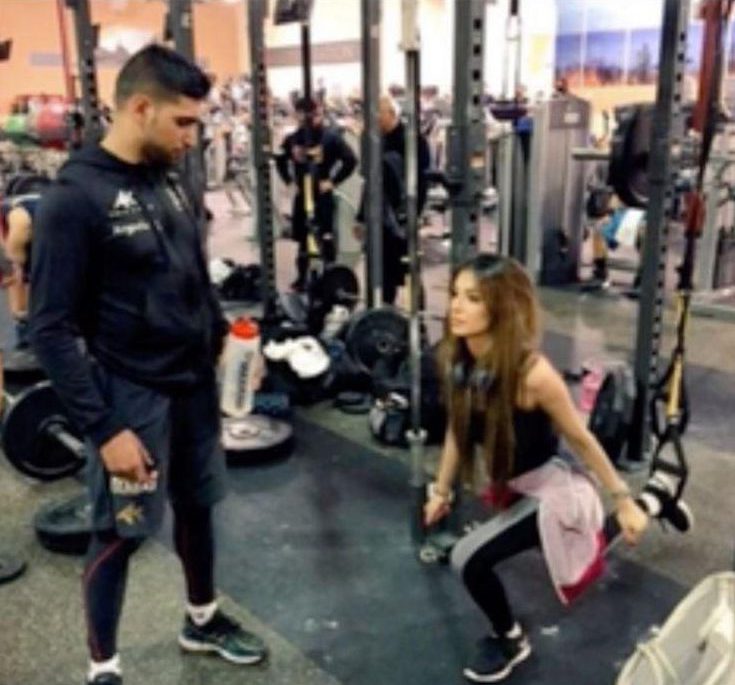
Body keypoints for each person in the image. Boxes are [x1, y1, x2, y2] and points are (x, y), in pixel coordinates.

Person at [29, 45, 268, 685]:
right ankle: (103, 667)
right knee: (120, 532)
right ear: (139, 108)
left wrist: (231, 341)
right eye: (183, 123)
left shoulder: (172, 176)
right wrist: (104, 430)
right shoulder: (74, 200)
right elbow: (48, 327)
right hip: (132, 395)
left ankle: (202, 618)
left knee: (198, 506)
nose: (195, 137)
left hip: (192, 385)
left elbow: (193, 273)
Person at [424, 254, 692, 683]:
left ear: (501, 307)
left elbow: (583, 441)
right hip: (514, 483)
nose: (456, 306)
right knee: (577, 543)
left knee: (468, 559)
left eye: (472, 298)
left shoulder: (534, 375)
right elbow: (460, 429)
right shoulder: (458, 361)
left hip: (552, 486)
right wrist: (441, 490)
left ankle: (509, 638)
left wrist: (621, 500)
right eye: (455, 294)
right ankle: (656, 498)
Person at [355, 95, 431, 306]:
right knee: (381, 271)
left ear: (391, 113)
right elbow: (369, 182)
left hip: (402, 217)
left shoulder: (414, 140)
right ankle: (383, 317)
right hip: (379, 218)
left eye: (377, 115)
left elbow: (422, 181)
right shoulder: (373, 140)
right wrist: (361, 217)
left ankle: (419, 321)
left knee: (409, 270)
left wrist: (414, 216)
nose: (374, 121)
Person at [275, 96, 357, 291]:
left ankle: (331, 279)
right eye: (304, 114)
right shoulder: (293, 138)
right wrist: (289, 181)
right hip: (302, 194)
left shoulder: (331, 137)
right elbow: (280, 159)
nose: (311, 118)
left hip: (322, 196)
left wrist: (332, 182)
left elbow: (350, 160)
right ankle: (302, 278)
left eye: (315, 114)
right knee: (303, 239)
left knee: (326, 237)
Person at [0, 177, 52, 345]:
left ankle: (25, 328)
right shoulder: (53, 198)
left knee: (19, 278)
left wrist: (13, 265)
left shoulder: (13, 207)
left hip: (23, 226)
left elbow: (17, 235)